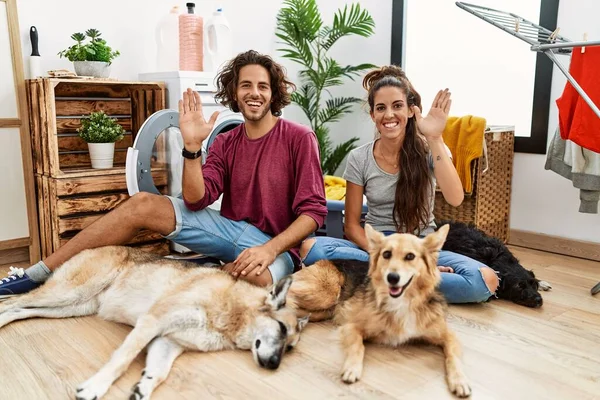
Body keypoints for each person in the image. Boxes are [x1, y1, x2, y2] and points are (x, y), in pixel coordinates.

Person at [0, 50, 327, 298]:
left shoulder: (299, 138)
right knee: (142, 203)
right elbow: (196, 200)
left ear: (273, 93)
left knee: (256, 280)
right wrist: (191, 147)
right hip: (231, 233)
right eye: (246, 85)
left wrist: (269, 249)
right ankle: (39, 273)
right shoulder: (227, 142)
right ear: (234, 92)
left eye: (262, 86)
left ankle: (205, 270)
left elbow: (312, 213)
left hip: (277, 247)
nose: (254, 93)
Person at [299, 65, 499, 304]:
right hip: (378, 248)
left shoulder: (430, 149)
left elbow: (455, 197)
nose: (389, 115)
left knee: (485, 280)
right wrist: (382, 256)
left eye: (397, 106)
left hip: (420, 248)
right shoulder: (359, 158)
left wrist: (434, 138)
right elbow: (351, 226)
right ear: (373, 115)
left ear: (410, 111)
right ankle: (412, 283)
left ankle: (393, 282)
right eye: (381, 108)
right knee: (311, 248)